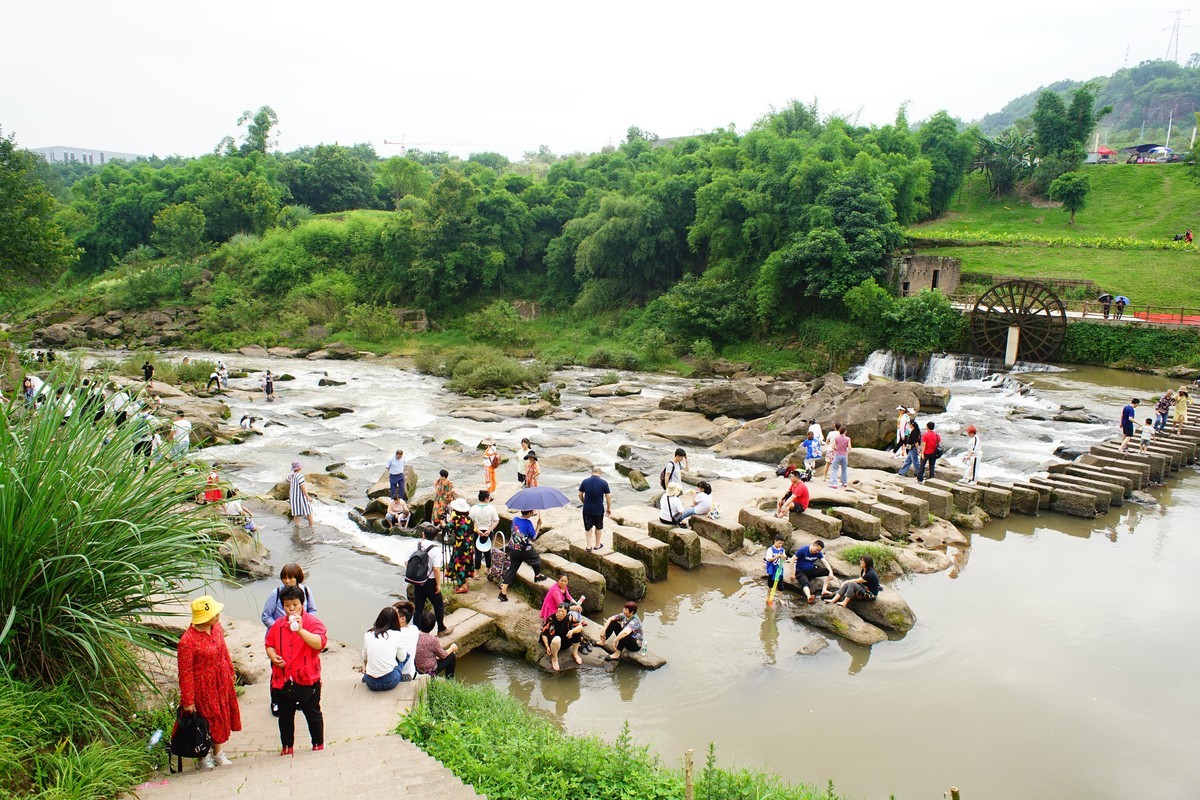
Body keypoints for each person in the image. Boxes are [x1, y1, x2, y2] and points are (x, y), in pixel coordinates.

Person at [177, 595, 241, 769]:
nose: (218, 616)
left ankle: (218, 752)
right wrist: (188, 701)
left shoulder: (216, 628)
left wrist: (230, 669)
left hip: (221, 679)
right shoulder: (187, 642)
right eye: (215, 614)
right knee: (206, 719)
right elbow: (185, 673)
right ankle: (203, 756)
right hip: (203, 686)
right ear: (204, 618)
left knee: (221, 715)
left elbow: (223, 649)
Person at [264, 586, 327, 755]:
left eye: (295, 605)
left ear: (302, 604)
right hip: (284, 680)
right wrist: (273, 656)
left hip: (307, 679)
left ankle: (318, 744)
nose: (291, 609)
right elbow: (269, 644)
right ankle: (287, 747)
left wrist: (300, 630)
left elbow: (319, 643)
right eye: (287, 605)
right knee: (285, 717)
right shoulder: (278, 625)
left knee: (312, 713)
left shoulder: (313, 623)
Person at [410, 524, 453, 635]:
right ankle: (441, 629)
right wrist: (438, 584)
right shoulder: (435, 550)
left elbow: (408, 561)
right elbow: (436, 569)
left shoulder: (417, 545)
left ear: (423, 534)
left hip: (418, 581)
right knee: (438, 605)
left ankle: (416, 633)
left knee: (418, 607)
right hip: (430, 582)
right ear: (434, 537)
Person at [360, 606, 412, 691]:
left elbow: (364, 657)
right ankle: (400, 676)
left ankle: (366, 677)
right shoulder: (397, 635)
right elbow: (402, 658)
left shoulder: (368, 634)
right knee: (405, 655)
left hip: (371, 683)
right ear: (396, 621)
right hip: (390, 681)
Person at [498, 509, 544, 602]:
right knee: (536, 560)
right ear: (530, 513)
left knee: (512, 569)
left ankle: (503, 592)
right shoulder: (528, 523)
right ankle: (537, 575)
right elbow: (533, 537)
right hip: (524, 549)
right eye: (532, 512)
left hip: (513, 549)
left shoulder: (515, 519)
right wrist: (538, 526)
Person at [541, 602, 584, 671]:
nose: (560, 613)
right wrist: (547, 646)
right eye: (559, 611)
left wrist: (572, 631)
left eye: (563, 611)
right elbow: (544, 633)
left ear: (567, 613)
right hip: (553, 642)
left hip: (565, 641)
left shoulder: (570, 617)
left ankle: (575, 653)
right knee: (557, 639)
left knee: (577, 632)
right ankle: (554, 658)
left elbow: (580, 626)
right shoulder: (551, 619)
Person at [415, 611, 458, 678]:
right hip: (428, 671)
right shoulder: (433, 640)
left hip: (416, 668)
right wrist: (452, 648)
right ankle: (450, 680)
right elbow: (443, 655)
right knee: (451, 656)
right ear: (433, 626)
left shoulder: (413, 636)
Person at [578, 465, 612, 551]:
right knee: (598, 527)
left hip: (587, 509)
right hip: (598, 509)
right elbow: (608, 497)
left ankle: (589, 546)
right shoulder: (604, 483)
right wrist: (609, 508)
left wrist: (584, 502)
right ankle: (597, 545)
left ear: (591, 472)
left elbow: (579, 494)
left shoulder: (585, 481)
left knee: (588, 527)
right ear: (600, 473)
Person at [447, 497, 474, 594]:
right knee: (466, 562)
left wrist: (442, 522)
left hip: (460, 545)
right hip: (469, 544)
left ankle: (463, 586)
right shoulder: (469, 519)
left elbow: (447, 527)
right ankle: (466, 582)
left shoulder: (456, 519)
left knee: (459, 564)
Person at [791, 540, 831, 605]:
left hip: (811, 570)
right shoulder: (803, 550)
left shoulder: (818, 553)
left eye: (819, 551)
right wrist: (792, 573)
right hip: (801, 571)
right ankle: (809, 596)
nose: (817, 552)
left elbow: (825, 562)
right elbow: (792, 559)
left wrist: (831, 572)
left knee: (827, 571)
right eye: (817, 550)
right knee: (805, 582)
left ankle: (824, 590)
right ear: (814, 545)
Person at [469, 490, 499, 576]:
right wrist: (489, 530)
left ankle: (477, 572)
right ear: (486, 499)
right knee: (487, 552)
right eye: (489, 497)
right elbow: (496, 520)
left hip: (477, 532)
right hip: (488, 532)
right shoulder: (491, 508)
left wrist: (477, 530)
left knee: (477, 552)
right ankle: (488, 569)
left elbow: (470, 521)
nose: (490, 499)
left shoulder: (473, 508)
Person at [288, 461, 314, 528]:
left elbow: (287, 480)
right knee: (309, 511)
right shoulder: (300, 476)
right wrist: (307, 496)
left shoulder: (291, 475)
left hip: (294, 498)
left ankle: (297, 525)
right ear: (299, 468)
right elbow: (302, 487)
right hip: (301, 497)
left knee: (296, 513)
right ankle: (311, 525)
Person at [828, 424, 851, 489]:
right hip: (844, 455)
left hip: (837, 455)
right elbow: (849, 448)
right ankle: (844, 482)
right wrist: (846, 452)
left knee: (834, 469)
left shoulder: (836, 438)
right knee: (844, 469)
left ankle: (834, 483)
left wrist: (836, 449)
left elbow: (832, 446)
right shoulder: (848, 439)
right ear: (845, 431)